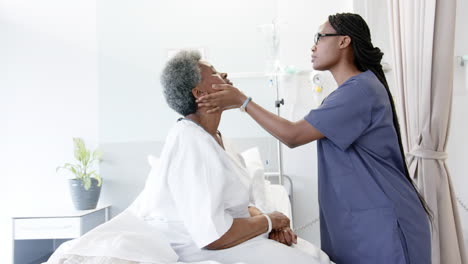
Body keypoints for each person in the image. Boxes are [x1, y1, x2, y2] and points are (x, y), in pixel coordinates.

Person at [46, 50, 333, 264]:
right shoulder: (190, 142)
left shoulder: (216, 140)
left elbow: (238, 206)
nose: (227, 77)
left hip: (234, 235)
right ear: (199, 93)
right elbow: (213, 235)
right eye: (217, 75)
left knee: (310, 255)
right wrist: (270, 222)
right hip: (208, 244)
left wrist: (274, 223)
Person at [196, 13, 431, 264]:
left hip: (384, 225)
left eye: (319, 37)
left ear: (344, 41)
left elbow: (293, 135)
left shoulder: (359, 91)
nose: (313, 46)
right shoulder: (348, 93)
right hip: (361, 222)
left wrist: (242, 101)